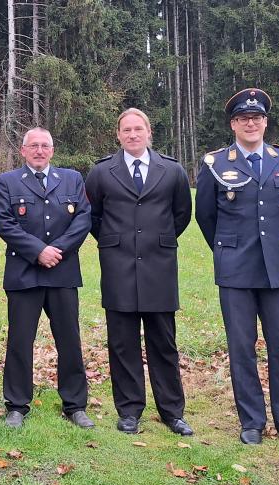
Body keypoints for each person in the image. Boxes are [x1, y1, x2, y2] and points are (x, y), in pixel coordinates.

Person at [195, 88, 279, 449]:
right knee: (242, 348)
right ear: (233, 124)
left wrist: (271, 244)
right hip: (235, 269)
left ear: (265, 122)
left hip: (276, 269)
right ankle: (251, 422)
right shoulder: (216, 163)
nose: (251, 123)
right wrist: (230, 249)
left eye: (257, 118)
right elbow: (206, 217)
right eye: (244, 118)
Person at [85, 108, 193, 436]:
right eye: (126, 130)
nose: (132, 135)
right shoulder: (102, 172)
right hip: (118, 266)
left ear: (149, 132)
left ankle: (172, 412)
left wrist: (156, 241)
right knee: (122, 343)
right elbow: (94, 216)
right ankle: (129, 410)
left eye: (138, 129)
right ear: (118, 135)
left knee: (164, 343)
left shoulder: (172, 171)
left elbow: (182, 214)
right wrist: (118, 243)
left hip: (159, 266)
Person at [0, 128, 93, 429]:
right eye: (33, 146)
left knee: (69, 340)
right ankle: (16, 405)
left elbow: (83, 219)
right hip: (25, 272)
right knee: (20, 341)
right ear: (23, 151)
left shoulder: (72, 179)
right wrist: (38, 251)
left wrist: (57, 250)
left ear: (52, 150)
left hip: (62, 271)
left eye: (45, 146)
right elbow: (5, 224)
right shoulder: (7, 181)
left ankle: (75, 405)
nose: (39, 150)